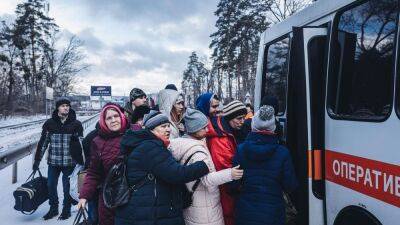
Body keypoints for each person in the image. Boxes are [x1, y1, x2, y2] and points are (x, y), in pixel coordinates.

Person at [115, 110, 210, 225]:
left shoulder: (144, 144)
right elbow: (176, 174)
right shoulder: (151, 147)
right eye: (163, 126)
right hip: (150, 214)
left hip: (142, 209)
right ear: (151, 129)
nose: (168, 129)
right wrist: (203, 165)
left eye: (169, 126)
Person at [169, 108, 244, 225]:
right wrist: (230, 174)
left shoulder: (185, 144)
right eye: (204, 127)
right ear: (195, 129)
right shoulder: (198, 153)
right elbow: (206, 180)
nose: (208, 129)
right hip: (205, 209)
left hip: (196, 205)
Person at [233, 105, 298, 225]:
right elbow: (290, 185)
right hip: (273, 214)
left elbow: (233, 184)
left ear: (253, 126)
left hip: (245, 212)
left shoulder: (240, 149)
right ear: (273, 128)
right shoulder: (283, 152)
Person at [78, 103, 129, 225]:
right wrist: (84, 196)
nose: (113, 120)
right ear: (103, 121)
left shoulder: (134, 134)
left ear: (121, 116)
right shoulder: (97, 142)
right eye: (109, 118)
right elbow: (94, 172)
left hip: (133, 197)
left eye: (116, 116)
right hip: (108, 198)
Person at [33, 99, 83, 220]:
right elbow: (43, 143)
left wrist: (82, 161)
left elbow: (81, 143)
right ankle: (53, 209)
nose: (66, 108)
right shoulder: (49, 124)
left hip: (69, 162)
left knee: (67, 187)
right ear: (57, 108)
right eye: (63, 106)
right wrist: (37, 161)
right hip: (53, 162)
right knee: (51, 185)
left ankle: (66, 210)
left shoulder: (76, 124)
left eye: (67, 106)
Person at [206, 100, 248, 225]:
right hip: (226, 189)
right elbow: (226, 168)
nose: (242, 121)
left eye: (244, 118)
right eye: (239, 118)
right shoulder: (220, 139)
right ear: (229, 118)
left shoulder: (230, 131)